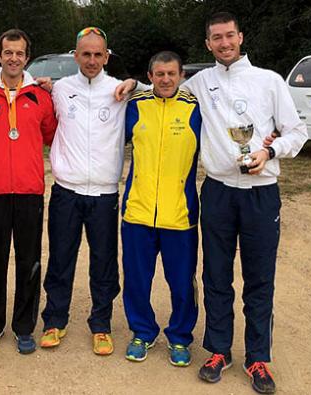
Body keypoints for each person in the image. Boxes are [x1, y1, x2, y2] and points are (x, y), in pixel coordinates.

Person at [180, 12, 308, 394]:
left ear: (241, 36)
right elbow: (162, 87)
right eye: (216, 38)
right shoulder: (200, 82)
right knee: (216, 275)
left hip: (260, 194)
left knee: (259, 279)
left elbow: (298, 132)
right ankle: (219, 350)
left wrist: (270, 153)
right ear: (207, 44)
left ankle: (257, 358)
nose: (224, 43)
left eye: (229, 36)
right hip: (218, 191)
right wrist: (127, 85)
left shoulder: (269, 80)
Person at [40, 27, 140, 356]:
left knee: (104, 262)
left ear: (107, 57)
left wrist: (136, 83)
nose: (92, 60)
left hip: (104, 194)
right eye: (86, 54)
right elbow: (9, 78)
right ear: (76, 56)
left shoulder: (120, 90)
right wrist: (44, 86)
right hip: (66, 191)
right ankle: (55, 320)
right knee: (60, 258)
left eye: (99, 54)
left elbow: (162, 87)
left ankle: (101, 325)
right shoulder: (60, 89)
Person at [0, 29, 57, 354]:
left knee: (29, 260)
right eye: (8, 52)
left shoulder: (41, 97)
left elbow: (52, 135)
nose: (14, 58)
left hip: (29, 192)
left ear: (27, 57)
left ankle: (24, 327)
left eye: (19, 53)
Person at [121, 51, 201, 367]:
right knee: (137, 279)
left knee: (182, 282)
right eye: (159, 74)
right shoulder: (135, 108)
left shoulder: (196, 111)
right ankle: (142, 331)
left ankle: (180, 337)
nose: (165, 79)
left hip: (179, 215)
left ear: (181, 76)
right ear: (150, 76)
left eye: (171, 74)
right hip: (138, 211)